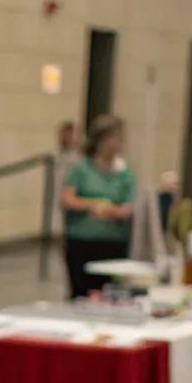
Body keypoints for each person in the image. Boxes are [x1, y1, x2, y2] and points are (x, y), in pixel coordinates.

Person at [60, 114, 136, 298]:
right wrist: (94, 204)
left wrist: (106, 210)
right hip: (82, 242)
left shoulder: (125, 174)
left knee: (109, 294)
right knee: (81, 293)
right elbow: (67, 200)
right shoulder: (82, 169)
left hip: (112, 242)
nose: (119, 143)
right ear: (101, 140)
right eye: (114, 138)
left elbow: (127, 209)